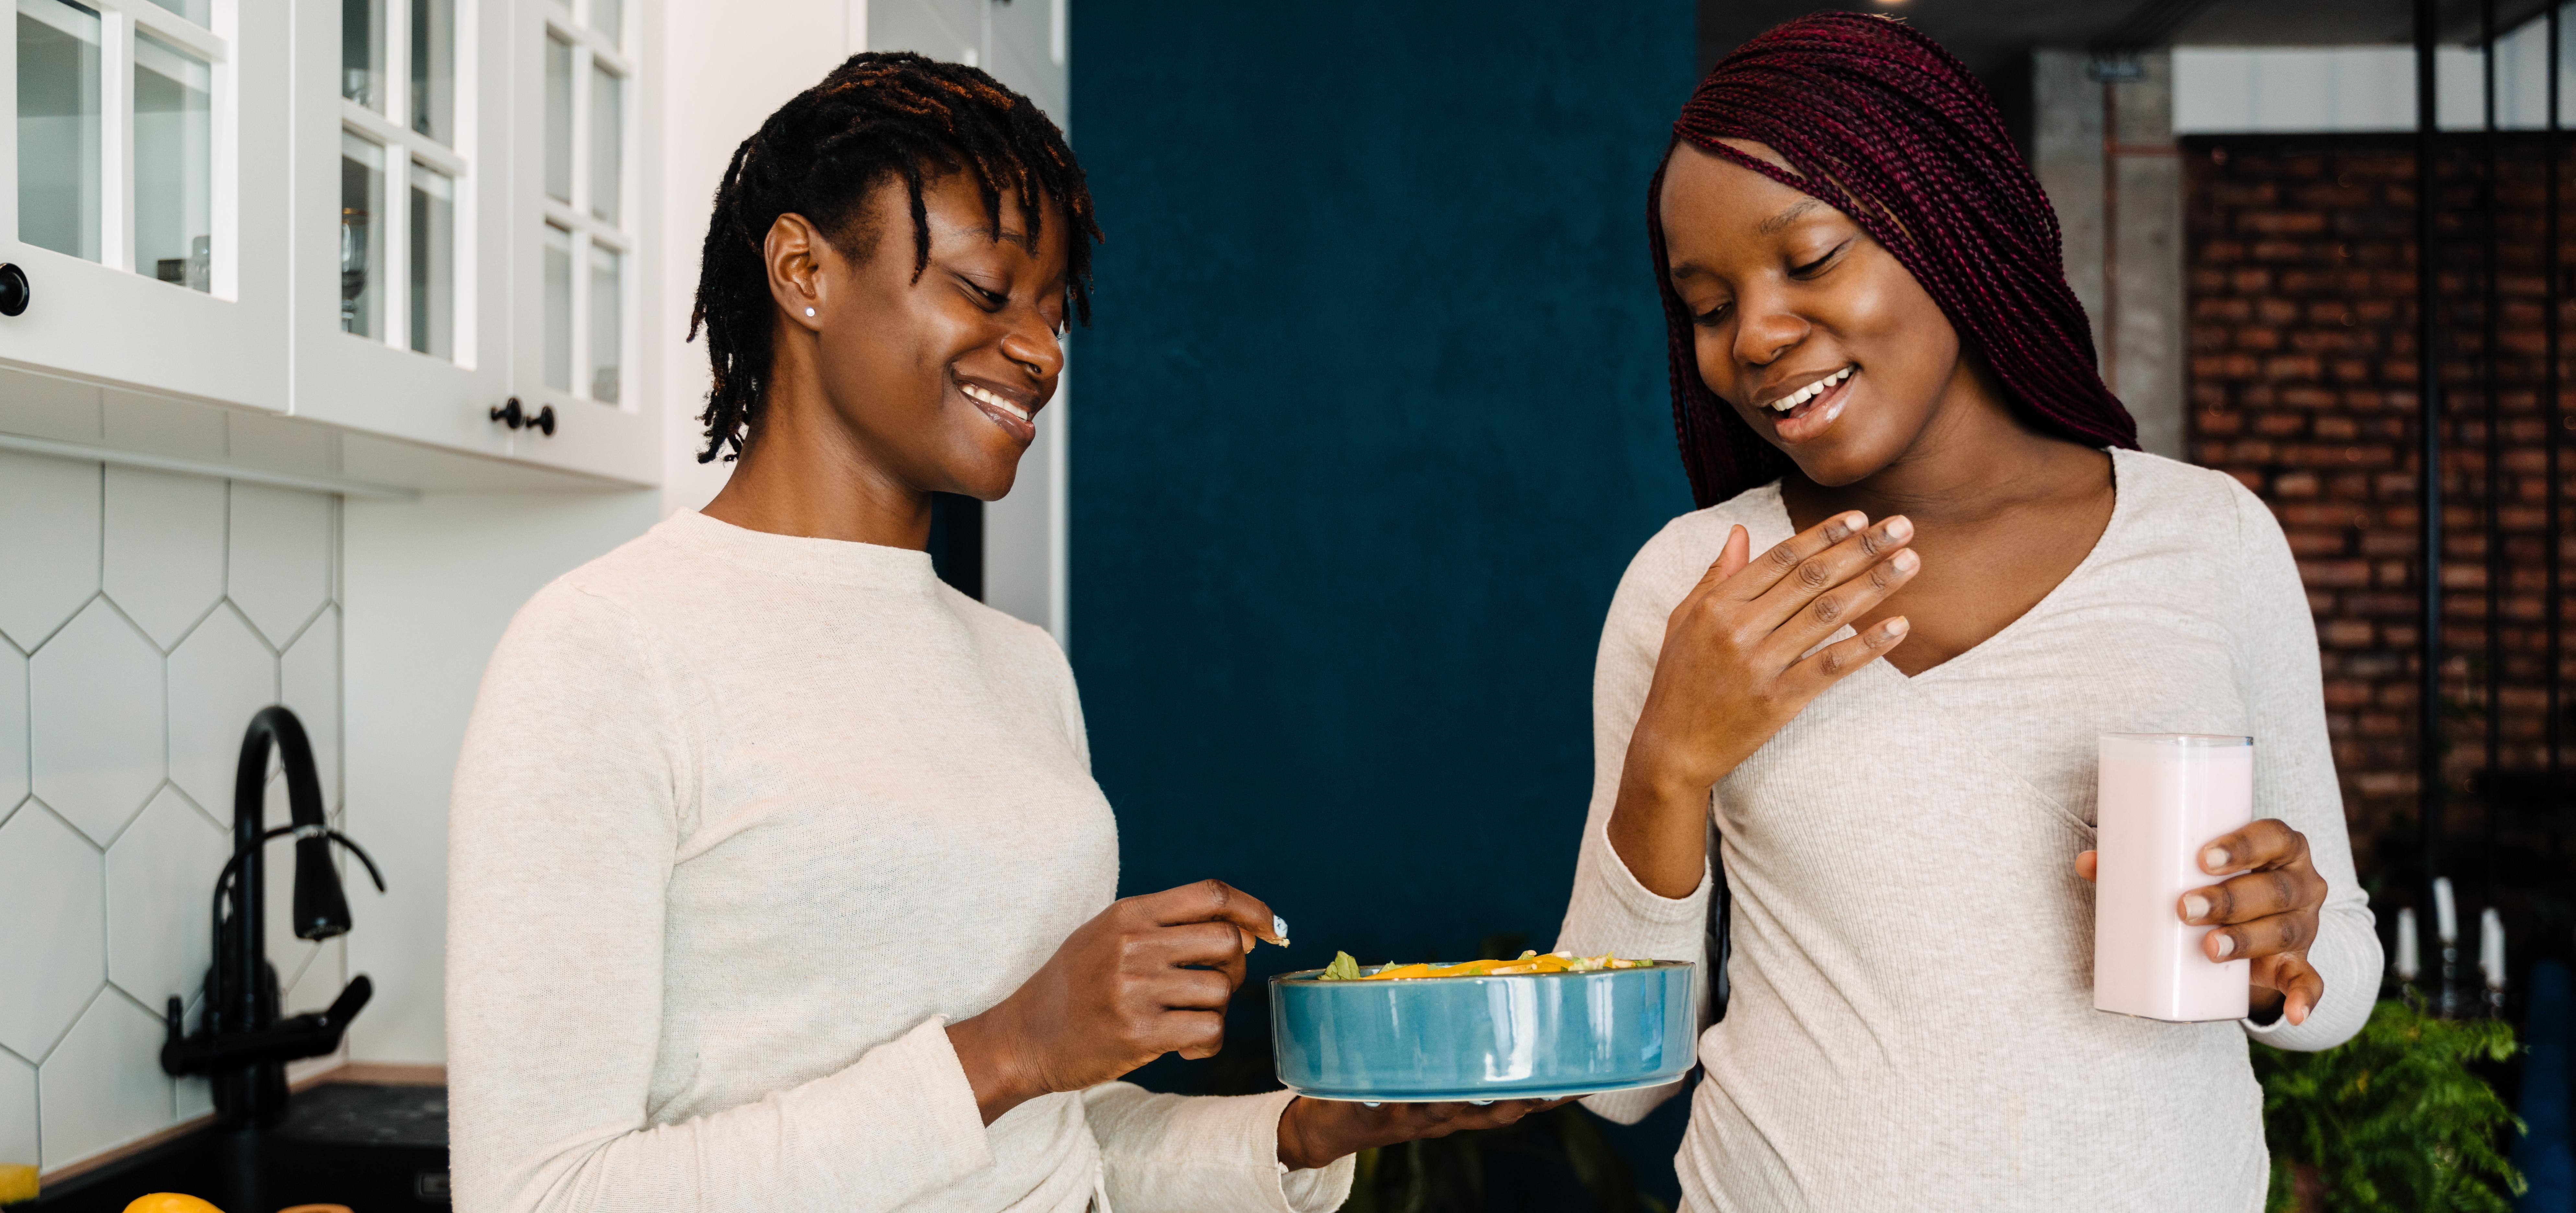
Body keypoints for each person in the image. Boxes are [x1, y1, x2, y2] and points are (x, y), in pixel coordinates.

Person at [446, 53, 1546, 1213]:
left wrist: (1307, 1132)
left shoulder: (1021, 669)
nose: (1043, 349)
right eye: (986, 290)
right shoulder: (603, 651)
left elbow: (1048, 1141)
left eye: (1055, 308)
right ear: (803, 271)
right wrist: (1013, 1045)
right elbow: (540, 1194)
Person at [1554, 15, 2379, 1211]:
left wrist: (2276, 948)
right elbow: (1615, 1080)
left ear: (1945, 222)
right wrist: (1671, 764)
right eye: (1709, 304)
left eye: (1812, 258)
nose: (1759, 335)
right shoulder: (1704, 584)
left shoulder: (2208, 543)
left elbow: (2334, 986)